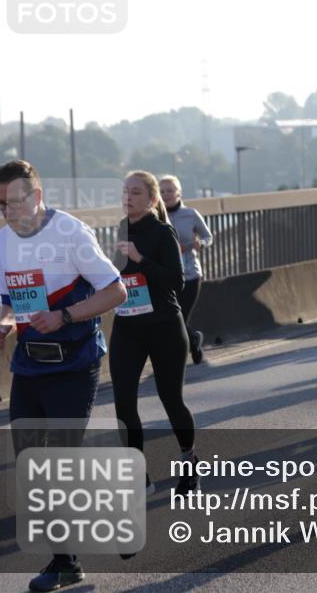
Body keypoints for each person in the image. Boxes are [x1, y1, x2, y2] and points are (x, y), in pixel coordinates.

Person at [0, 160, 127, 592]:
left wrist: (65, 314)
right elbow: (13, 302)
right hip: (29, 364)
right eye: (0, 204)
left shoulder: (69, 233)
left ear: (37, 197)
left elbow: (116, 290)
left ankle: (69, 555)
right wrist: (3, 325)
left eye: (14, 202)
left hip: (74, 362)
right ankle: (68, 562)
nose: (8, 211)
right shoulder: (1, 241)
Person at [111, 170, 200, 498]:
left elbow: (175, 282)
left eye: (135, 192)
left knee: (171, 399)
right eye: (125, 191)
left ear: (151, 200)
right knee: (123, 403)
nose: (128, 197)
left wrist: (140, 259)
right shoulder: (121, 230)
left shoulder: (164, 232)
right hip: (128, 326)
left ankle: (189, 461)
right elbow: (118, 277)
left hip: (163, 325)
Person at [159, 175, 213, 364]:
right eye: (162, 191)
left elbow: (208, 236)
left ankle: (182, 351)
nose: (166, 194)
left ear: (178, 193)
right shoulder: (155, 216)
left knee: (180, 317)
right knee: (172, 318)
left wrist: (201, 243)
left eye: (170, 190)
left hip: (190, 275)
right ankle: (194, 340)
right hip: (166, 276)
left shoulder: (190, 214)